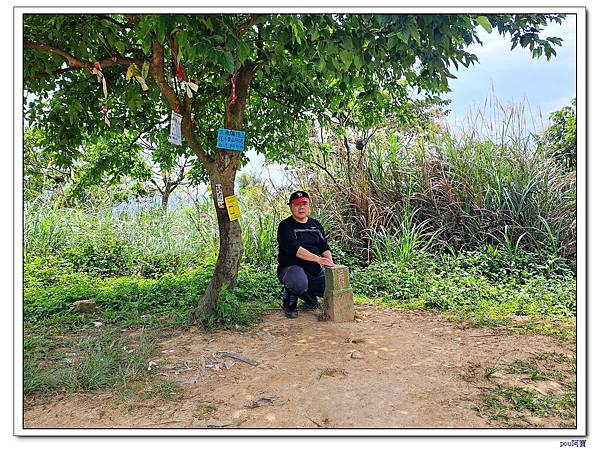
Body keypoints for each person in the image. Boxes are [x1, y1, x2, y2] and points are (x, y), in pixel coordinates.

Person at [276, 190, 335, 318]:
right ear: (291, 207)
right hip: (291, 269)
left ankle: (308, 295)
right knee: (298, 281)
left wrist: (329, 262)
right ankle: (289, 304)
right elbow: (294, 249)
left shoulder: (316, 224)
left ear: (309, 205)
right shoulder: (285, 226)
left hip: (314, 271)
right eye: (297, 204)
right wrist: (318, 259)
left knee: (331, 284)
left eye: (304, 203)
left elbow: (323, 246)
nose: (301, 207)